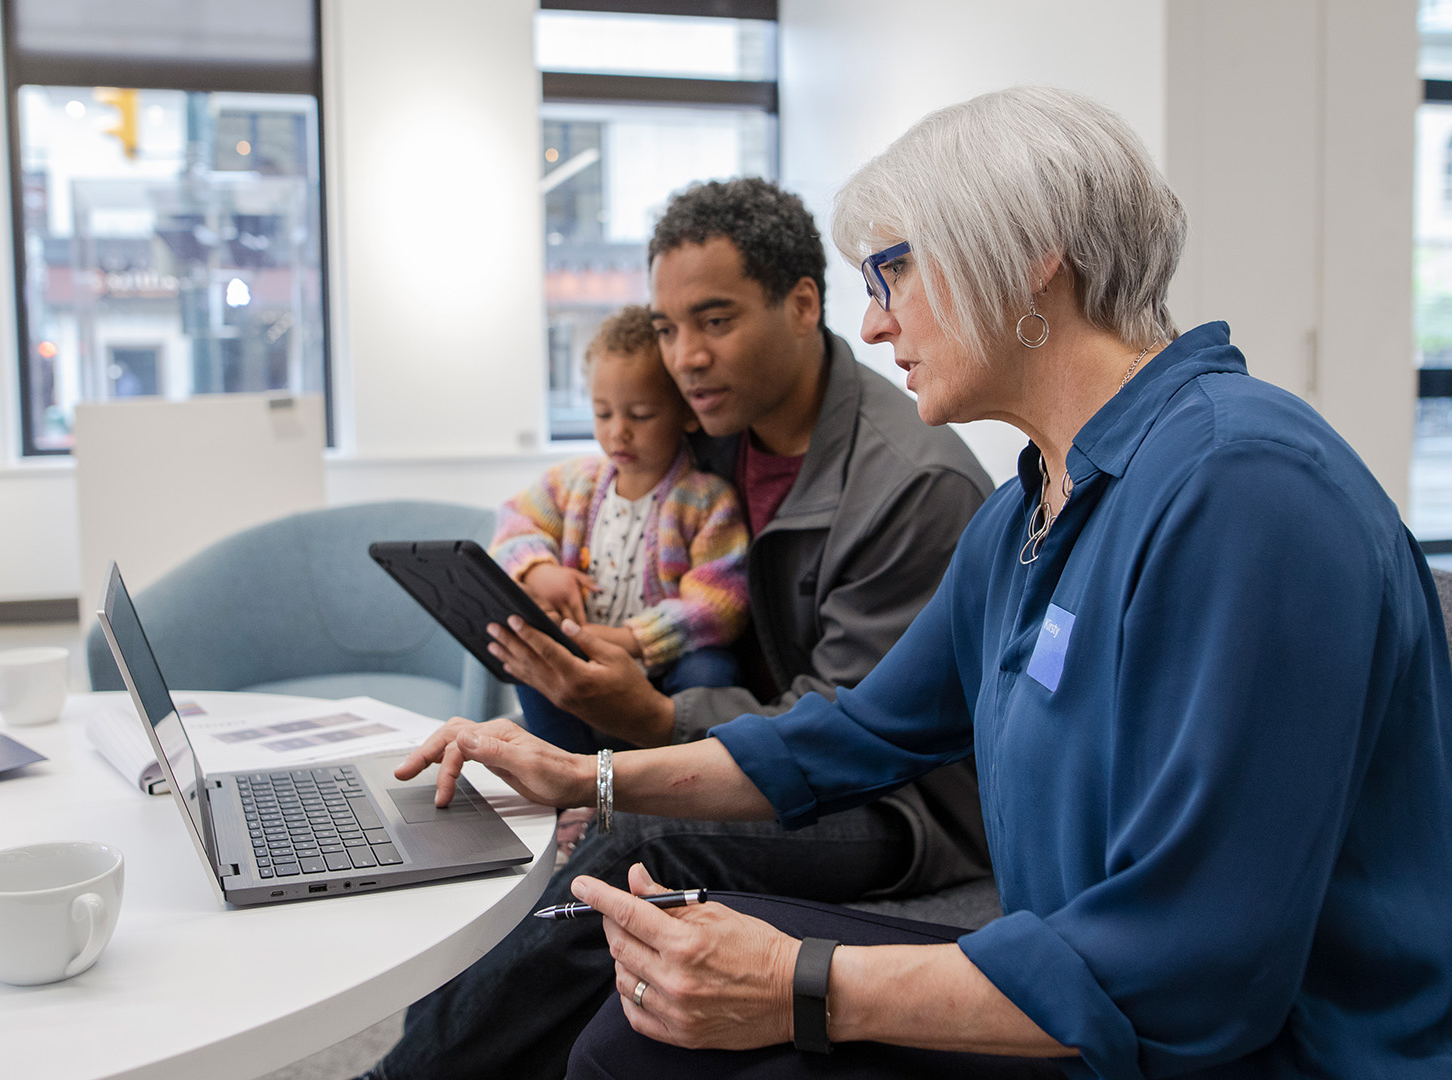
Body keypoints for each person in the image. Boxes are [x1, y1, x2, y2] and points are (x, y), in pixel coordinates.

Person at [395, 87, 1452, 1078]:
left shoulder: (1246, 490)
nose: (876, 318)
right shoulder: (1031, 506)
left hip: (1268, 1052)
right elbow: (846, 735)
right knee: (644, 1015)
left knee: (670, 1033)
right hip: (1090, 1000)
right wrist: (586, 774)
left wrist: (801, 982)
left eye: (893, 270)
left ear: (1032, 250)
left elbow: (1202, 970)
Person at [363, 178, 994, 1080]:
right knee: (523, 817)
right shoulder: (706, 436)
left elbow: (855, 733)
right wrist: (544, 572)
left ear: (804, 305)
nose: (685, 357)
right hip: (751, 740)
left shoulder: (909, 484)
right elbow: (565, 498)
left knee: (631, 849)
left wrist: (652, 728)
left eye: (715, 320)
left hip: (897, 805)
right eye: (666, 328)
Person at [494, 304, 749, 757]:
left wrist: (633, 640)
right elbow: (513, 521)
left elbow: (718, 605)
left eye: (641, 415)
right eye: (603, 414)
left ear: (686, 412)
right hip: (587, 650)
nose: (619, 434)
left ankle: (671, 777)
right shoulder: (576, 483)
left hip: (668, 663)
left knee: (709, 672)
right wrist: (537, 570)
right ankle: (573, 776)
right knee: (530, 660)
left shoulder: (707, 499)